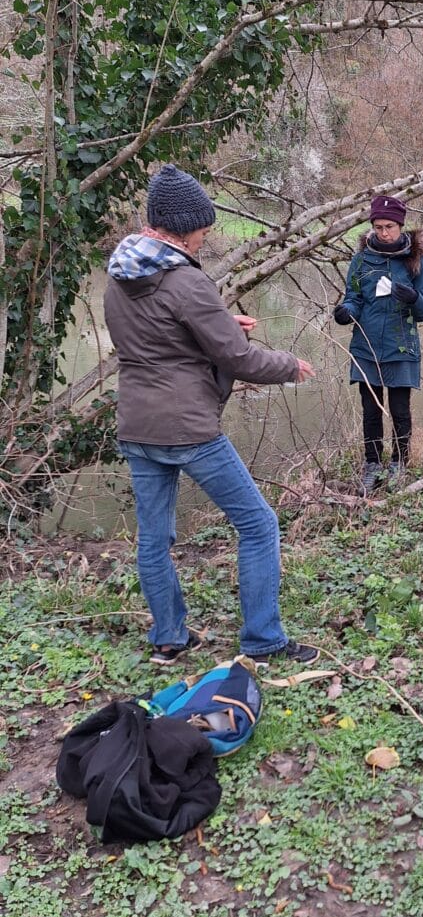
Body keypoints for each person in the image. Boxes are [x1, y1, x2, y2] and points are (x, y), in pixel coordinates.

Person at [104, 164, 320, 669]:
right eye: (203, 228)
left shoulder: (119, 276)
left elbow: (160, 339)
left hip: (136, 424)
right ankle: (263, 640)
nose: (206, 237)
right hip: (188, 428)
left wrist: (222, 322)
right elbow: (237, 359)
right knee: (259, 524)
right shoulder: (184, 280)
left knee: (154, 539)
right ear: (183, 228)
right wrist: (290, 365)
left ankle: (169, 639)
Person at [333, 195, 423, 492]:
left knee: (400, 410)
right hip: (366, 347)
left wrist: (413, 298)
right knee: (370, 410)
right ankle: (372, 464)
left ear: (400, 225)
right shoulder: (361, 261)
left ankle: (399, 463)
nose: (383, 233)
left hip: (402, 346)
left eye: (389, 227)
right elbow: (353, 298)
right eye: (378, 227)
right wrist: (345, 312)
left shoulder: (417, 261)